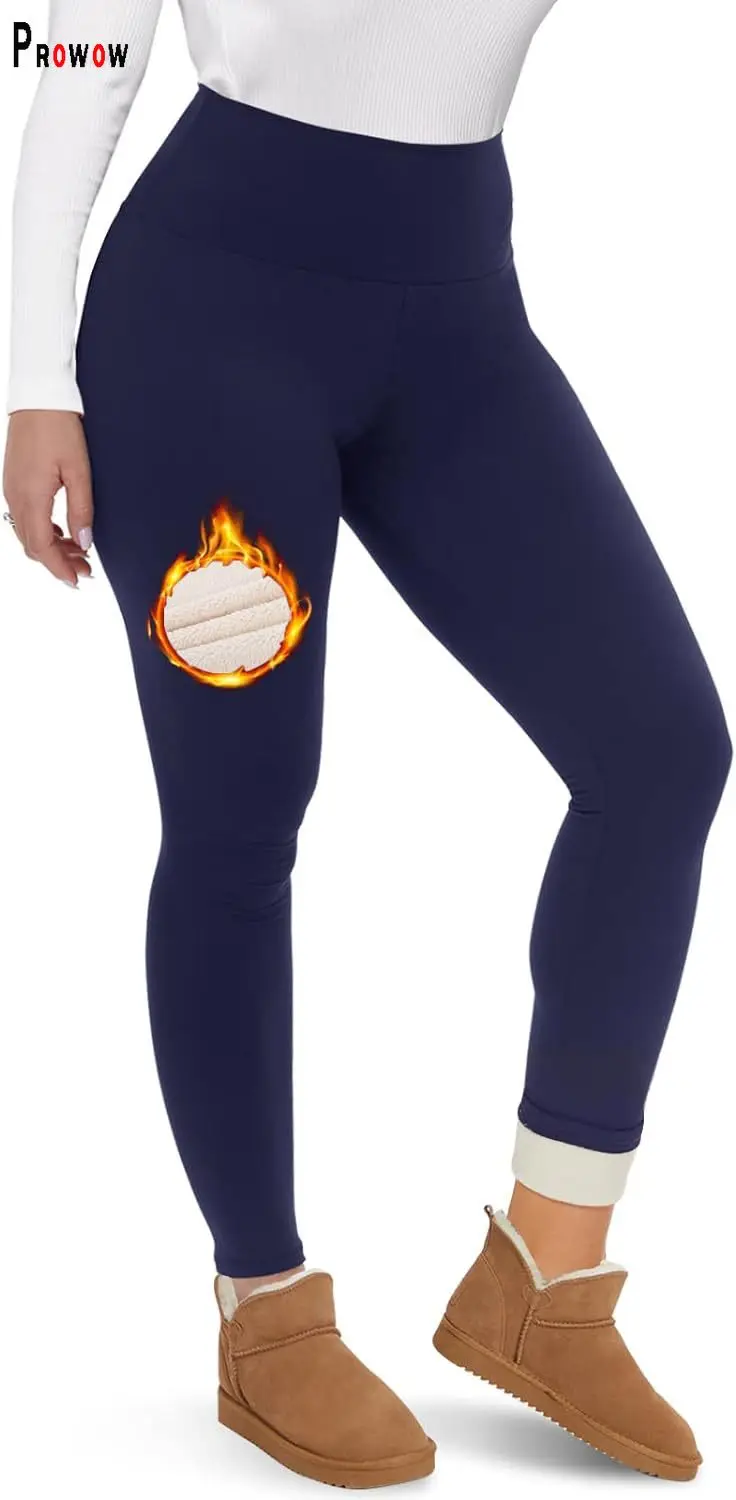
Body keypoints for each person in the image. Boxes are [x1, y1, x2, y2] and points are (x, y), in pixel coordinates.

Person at [3, 1, 731, 1487]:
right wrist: (32, 377)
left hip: (457, 315)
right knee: (240, 814)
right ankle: (264, 1309)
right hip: (206, 326)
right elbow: (79, 51)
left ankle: (544, 1282)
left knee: (661, 748)